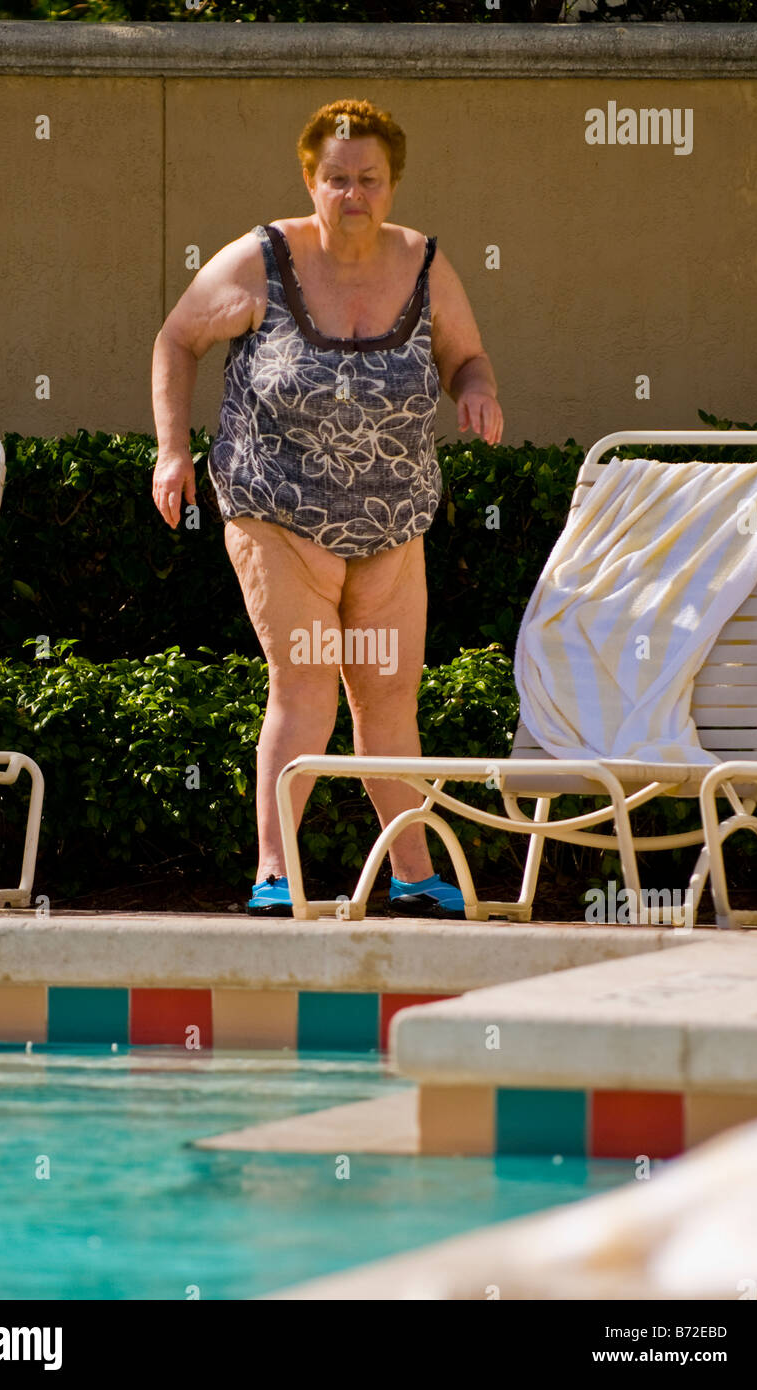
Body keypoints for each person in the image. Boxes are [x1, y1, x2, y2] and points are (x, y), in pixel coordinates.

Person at [151, 97, 502, 918]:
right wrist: (171, 450)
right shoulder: (259, 261)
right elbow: (176, 339)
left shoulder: (424, 264)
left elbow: (468, 358)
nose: (354, 194)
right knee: (304, 685)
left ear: (393, 183)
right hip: (277, 507)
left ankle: (412, 873)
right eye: (336, 178)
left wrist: (478, 393)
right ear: (310, 180)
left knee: (387, 695)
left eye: (369, 179)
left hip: (391, 520)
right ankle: (276, 874)